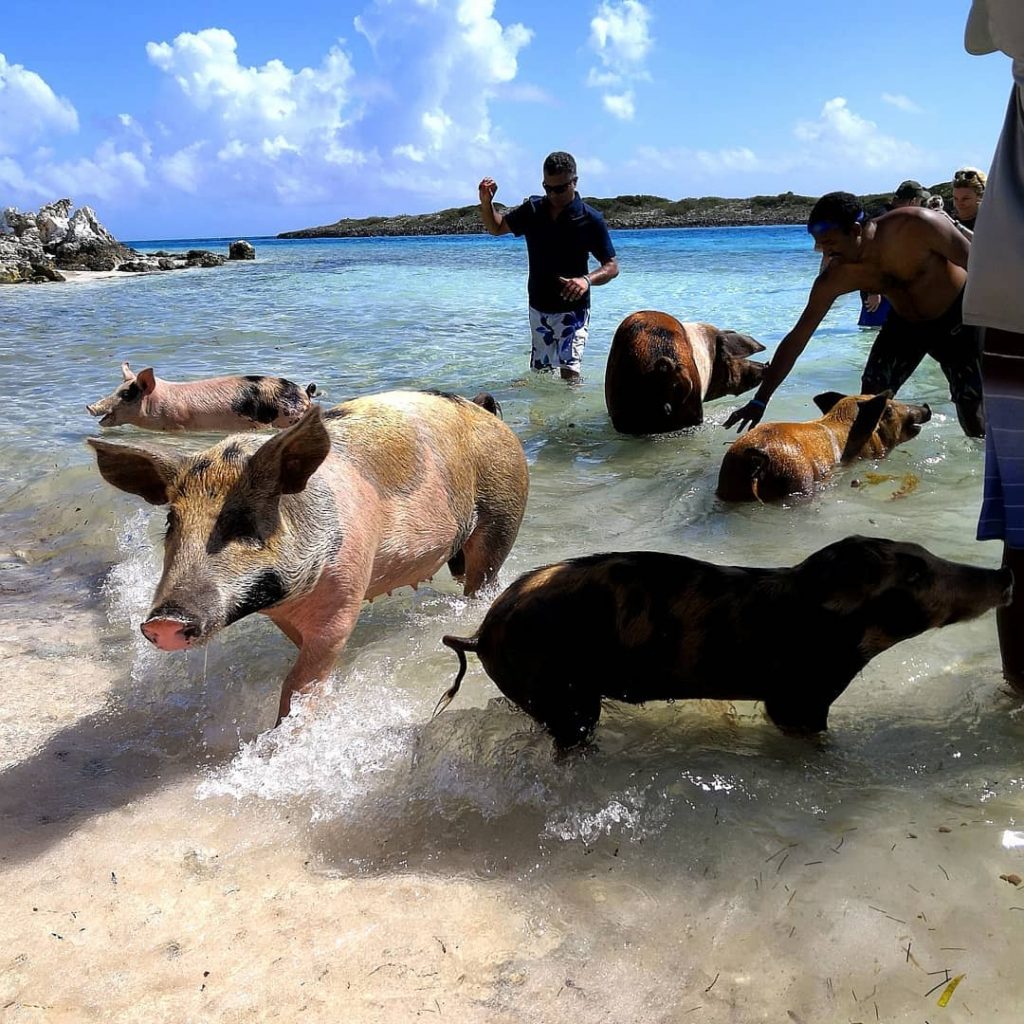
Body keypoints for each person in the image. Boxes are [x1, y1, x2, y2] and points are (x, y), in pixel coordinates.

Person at [724, 190, 984, 437]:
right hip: (905, 325)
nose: (825, 253)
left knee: (975, 421)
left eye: (830, 243)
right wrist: (760, 399)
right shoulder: (837, 275)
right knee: (869, 406)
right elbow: (798, 338)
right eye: (819, 246)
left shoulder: (917, 225)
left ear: (856, 230)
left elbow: (982, 266)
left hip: (958, 321)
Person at [963, 0, 1024, 690]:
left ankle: (1017, 692)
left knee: (1023, 530)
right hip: (1007, 313)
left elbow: (979, 35)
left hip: (1009, 314)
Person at [479, 152, 619, 382]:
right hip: (539, 307)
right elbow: (497, 228)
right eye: (548, 188)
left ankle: (572, 418)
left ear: (574, 181)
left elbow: (612, 266)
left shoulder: (590, 219)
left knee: (570, 375)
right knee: (540, 377)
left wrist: (586, 280)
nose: (553, 194)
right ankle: (538, 419)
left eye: (560, 188)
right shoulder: (533, 210)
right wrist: (486, 203)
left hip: (573, 311)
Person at [857, 180, 929, 327]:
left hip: (891, 289)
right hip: (877, 292)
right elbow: (867, 255)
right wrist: (872, 291)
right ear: (913, 201)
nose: (920, 206)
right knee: (872, 334)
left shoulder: (896, 216)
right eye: (920, 201)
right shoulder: (883, 218)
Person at [951, 165, 987, 233]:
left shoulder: (992, 222)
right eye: (955, 198)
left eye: (965, 199)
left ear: (981, 196)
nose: (959, 203)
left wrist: (957, 226)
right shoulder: (948, 221)